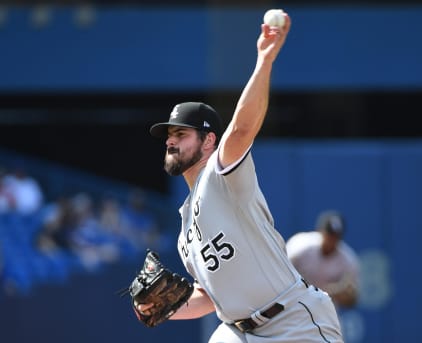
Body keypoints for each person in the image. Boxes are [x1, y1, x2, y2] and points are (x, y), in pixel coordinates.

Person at [134, 11, 344, 343]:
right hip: (238, 332)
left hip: (293, 320)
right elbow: (207, 296)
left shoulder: (220, 174)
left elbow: (243, 128)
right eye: (168, 134)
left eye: (181, 133)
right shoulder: (185, 230)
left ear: (208, 141)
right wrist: (162, 307)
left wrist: (264, 59)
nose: (170, 140)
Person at [286, 211, 360, 309]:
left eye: (336, 236)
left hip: (325, 311)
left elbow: (352, 299)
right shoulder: (301, 247)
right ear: (320, 232)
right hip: (294, 305)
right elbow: (279, 272)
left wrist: (340, 293)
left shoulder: (348, 260)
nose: (332, 240)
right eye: (329, 235)